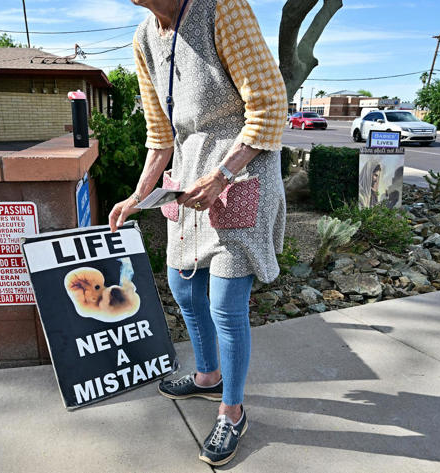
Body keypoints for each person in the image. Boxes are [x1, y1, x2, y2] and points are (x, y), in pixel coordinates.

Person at [109, 0, 287, 466]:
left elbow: (269, 106)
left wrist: (223, 175)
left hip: (240, 175)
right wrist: (137, 194)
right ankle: (207, 377)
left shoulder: (219, 8)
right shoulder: (145, 37)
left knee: (225, 304)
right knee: (182, 288)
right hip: (188, 182)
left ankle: (233, 411)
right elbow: (160, 135)